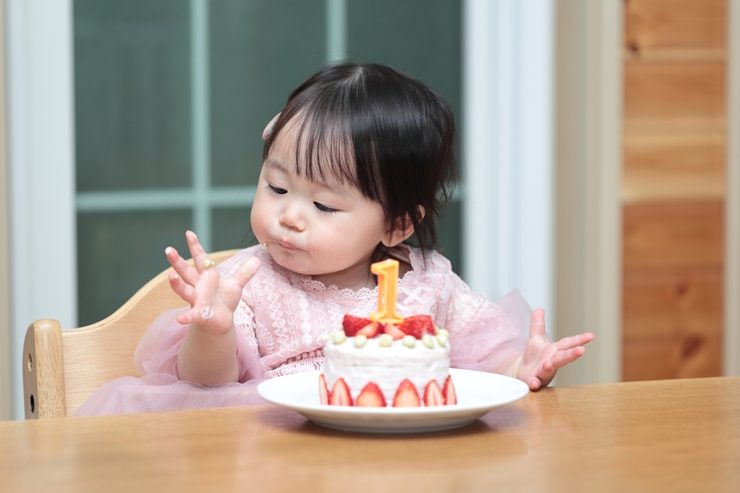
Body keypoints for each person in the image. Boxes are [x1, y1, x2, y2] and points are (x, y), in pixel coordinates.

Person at [75, 63, 594, 416]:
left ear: (396, 225)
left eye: (324, 205)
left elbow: (484, 361)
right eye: (276, 187)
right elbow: (207, 385)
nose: (291, 216)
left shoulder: (429, 282)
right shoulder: (250, 284)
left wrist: (522, 370)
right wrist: (213, 330)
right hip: (278, 453)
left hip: (405, 461)